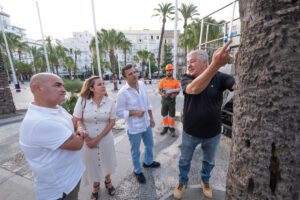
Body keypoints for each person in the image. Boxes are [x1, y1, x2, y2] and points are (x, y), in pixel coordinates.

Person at [173, 40, 235, 199]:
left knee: (209, 162)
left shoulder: (220, 77)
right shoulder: (187, 77)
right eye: (188, 62)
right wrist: (215, 66)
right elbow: (194, 89)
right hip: (190, 132)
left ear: (205, 62)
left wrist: (240, 66)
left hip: (213, 134)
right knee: (184, 160)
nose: (189, 65)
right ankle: (182, 181)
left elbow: (237, 85)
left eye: (192, 61)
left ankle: (205, 181)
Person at [19, 73, 86, 200]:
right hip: (60, 190)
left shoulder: (56, 109)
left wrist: (80, 128)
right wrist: (80, 130)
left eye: (63, 85)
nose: (64, 89)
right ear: (38, 88)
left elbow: (76, 121)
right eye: (57, 85)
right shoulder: (40, 121)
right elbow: (77, 144)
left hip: (70, 180)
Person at [73, 76, 117, 200]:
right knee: (92, 163)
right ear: (91, 88)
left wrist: (96, 139)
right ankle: (95, 185)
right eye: (99, 84)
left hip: (105, 139)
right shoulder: (82, 101)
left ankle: (108, 181)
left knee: (106, 160)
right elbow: (77, 119)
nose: (103, 86)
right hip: (87, 140)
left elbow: (112, 122)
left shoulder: (110, 102)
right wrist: (86, 138)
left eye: (103, 83)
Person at [116, 64, 160, 184]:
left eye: (134, 72)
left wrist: (151, 118)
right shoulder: (122, 92)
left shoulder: (142, 84)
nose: (134, 75)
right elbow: (118, 112)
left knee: (149, 145)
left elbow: (147, 103)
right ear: (125, 78)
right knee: (135, 151)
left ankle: (148, 162)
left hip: (146, 123)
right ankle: (137, 171)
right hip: (134, 127)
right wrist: (134, 112)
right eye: (130, 74)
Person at [158, 64, 180, 136]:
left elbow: (178, 91)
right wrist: (162, 94)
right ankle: (165, 128)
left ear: (172, 71)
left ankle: (171, 129)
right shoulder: (162, 81)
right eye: (167, 70)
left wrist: (175, 94)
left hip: (172, 101)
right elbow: (159, 90)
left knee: (171, 115)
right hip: (164, 101)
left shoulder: (176, 81)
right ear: (166, 72)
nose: (169, 72)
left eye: (170, 70)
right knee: (164, 115)